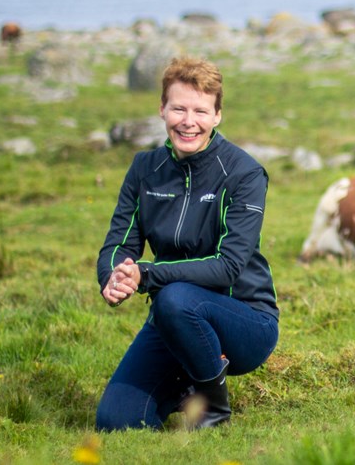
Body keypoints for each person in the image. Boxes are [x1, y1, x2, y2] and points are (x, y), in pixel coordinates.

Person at [95, 57, 279, 431]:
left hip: (244, 321)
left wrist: (145, 275)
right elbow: (119, 242)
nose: (188, 121)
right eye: (178, 108)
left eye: (200, 110)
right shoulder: (144, 168)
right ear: (162, 109)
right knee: (117, 422)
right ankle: (187, 386)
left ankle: (214, 407)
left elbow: (228, 266)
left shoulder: (244, 173)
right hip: (172, 319)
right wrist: (114, 275)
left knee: (175, 295)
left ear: (217, 116)